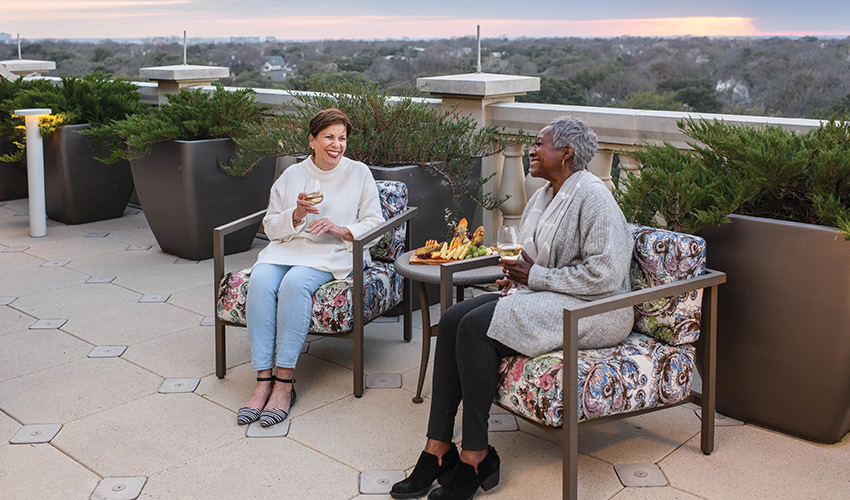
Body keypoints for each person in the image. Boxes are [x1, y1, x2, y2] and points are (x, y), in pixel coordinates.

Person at [390, 116, 634, 499]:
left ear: (566, 153)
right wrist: (518, 276)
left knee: (475, 329)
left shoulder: (594, 196)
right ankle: (437, 448)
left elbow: (605, 276)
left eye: (540, 144)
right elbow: (533, 258)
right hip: (555, 295)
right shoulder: (544, 195)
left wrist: (534, 276)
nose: (532, 151)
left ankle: (476, 456)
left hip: (599, 308)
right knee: (454, 319)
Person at [237, 108, 384, 427]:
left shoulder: (358, 173)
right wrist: (297, 215)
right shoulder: (291, 175)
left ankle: (285, 384)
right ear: (312, 140)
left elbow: (375, 224)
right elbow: (271, 226)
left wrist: (340, 229)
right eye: (329, 137)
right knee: (261, 278)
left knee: (295, 284)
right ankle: (263, 380)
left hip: (330, 253)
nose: (337, 145)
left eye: (342, 138)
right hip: (287, 250)